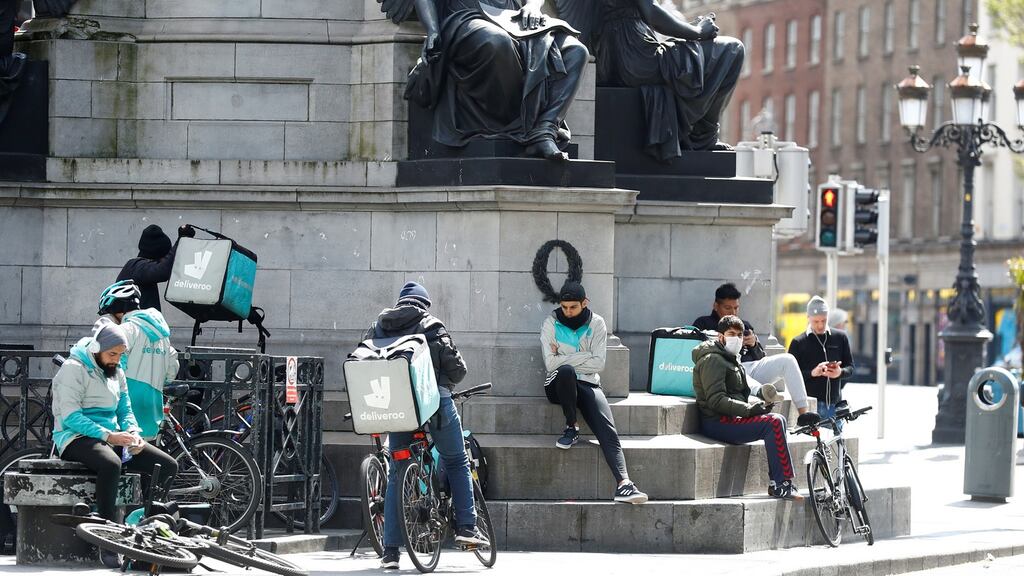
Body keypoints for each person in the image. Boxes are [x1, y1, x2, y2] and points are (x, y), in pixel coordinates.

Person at [364, 282, 488, 570]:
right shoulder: (431, 324)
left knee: (396, 472)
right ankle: (467, 529)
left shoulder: (379, 326)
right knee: (456, 460)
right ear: (424, 304)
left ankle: (391, 552)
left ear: (400, 303)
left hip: (397, 405)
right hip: (434, 402)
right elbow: (458, 370)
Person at [378, 0, 589, 160]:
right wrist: (433, 29)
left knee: (576, 52)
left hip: (514, 19)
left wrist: (533, 6)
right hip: (466, 18)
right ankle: (521, 124)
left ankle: (544, 129)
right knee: (496, 43)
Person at [52, 318, 178, 568]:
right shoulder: (73, 368)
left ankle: (150, 528)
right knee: (111, 464)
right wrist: (109, 436)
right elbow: (71, 417)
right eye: (112, 354)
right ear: (97, 349)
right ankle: (106, 538)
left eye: (121, 355)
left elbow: (125, 409)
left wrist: (133, 432)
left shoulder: (117, 371)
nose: (116, 360)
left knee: (168, 465)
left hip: (112, 435)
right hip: (74, 437)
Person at [541, 281, 648, 504]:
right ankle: (572, 426)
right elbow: (552, 365)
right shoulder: (550, 323)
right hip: (558, 384)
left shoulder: (597, 323)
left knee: (606, 426)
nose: (568, 312)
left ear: (584, 303)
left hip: (588, 383)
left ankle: (625, 484)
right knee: (566, 372)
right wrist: (583, 355)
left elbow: (599, 364)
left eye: (573, 307)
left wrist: (564, 355)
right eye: (564, 307)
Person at [692, 314, 803, 500]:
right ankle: (780, 483)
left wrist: (760, 402)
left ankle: (781, 482)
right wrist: (750, 410)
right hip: (717, 422)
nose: (736, 338)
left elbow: (742, 390)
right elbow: (716, 400)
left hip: (731, 418)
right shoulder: (712, 359)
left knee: (779, 420)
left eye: (740, 335)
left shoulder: (731, 358)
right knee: (773, 423)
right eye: (731, 334)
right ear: (721, 336)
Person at [693, 282, 810, 414]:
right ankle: (762, 392)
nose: (733, 312)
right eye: (728, 308)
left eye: (736, 308)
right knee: (739, 371)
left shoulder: (744, 325)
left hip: (752, 367)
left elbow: (761, 358)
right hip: (727, 370)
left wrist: (754, 344)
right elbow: (701, 354)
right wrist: (726, 343)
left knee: (788, 359)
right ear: (716, 306)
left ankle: (804, 414)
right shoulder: (703, 323)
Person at [97, 280, 179, 440]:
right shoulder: (162, 333)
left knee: (117, 453)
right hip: (153, 401)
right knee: (142, 453)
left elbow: (113, 365)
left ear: (118, 310)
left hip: (128, 401)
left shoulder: (127, 329)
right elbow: (172, 365)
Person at [788, 296, 855, 425]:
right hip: (811, 407)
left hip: (835, 405)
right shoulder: (798, 342)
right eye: (815, 321)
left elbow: (851, 368)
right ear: (808, 318)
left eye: (824, 321)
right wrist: (813, 373)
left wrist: (840, 372)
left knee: (836, 444)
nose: (820, 325)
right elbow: (790, 377)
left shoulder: (840, 337)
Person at [116, 224, 193, 311]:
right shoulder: (136, 267)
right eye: (165, 257)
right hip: (133, 323)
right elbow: (163, 271)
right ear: (158, 254)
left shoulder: (137, 267)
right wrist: (181, 240)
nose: (164, 260)